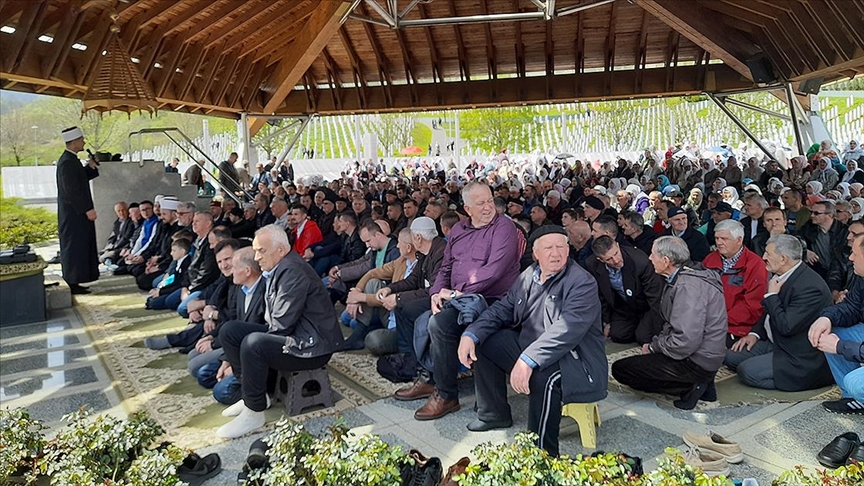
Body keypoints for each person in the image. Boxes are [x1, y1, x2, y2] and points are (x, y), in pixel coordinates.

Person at [457, 226, 607, 456]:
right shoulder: (529, 275)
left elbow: (567, 330)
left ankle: (541, 453)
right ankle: (493, 413)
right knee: (485, 343)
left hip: (575, 359)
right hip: (533, 347)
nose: (555, 253)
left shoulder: (581, 282)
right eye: (548, 248)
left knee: (544, 380)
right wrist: (472, 333)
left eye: (561, 247)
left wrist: (527, 360)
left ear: (568, 250)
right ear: (536, 253)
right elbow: (503, 308)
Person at [397, 181, 523, 421]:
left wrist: (455, 294)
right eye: (480, 203)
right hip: (457, 298)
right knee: (422, 314)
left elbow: (493, 272)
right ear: (467, 208)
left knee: (439, 323)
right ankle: (432, 382)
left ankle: (445, 393)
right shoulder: (458, 230)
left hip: (495, 300)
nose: (488, 207)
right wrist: (436, 292)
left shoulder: (504, 227)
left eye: (489, 201)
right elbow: (446, 267)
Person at [216, 225, 343, 438]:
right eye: (255, 251)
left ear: (281, 250)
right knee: (230, 331)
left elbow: (281, 323)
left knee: (253, 343)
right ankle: (255, 396)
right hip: (294, 333)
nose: (257, 257)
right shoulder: (280, 267)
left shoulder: (292, 270)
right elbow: (275, 321)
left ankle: (254, 413)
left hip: (311, 346)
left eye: (262, 251)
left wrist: (263, 334)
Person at [612, 236, 727, 410]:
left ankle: (691, 386)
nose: (649, 258)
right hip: (701, 354)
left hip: (696, 360)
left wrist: (654, 347)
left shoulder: (688, 286)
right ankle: (700, 383)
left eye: (653, 254)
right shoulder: (684, 277)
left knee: (622, 369)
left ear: (666, 261)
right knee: (641, 361)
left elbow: (685, 341)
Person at [724, 235, 834, 391]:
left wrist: (772, 296)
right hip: (774, 342)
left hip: (797, 353)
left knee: (747, 371)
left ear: (783, 259)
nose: (763, 257)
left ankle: (800, 381)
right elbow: (767, 313)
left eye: (768, 254)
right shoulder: (783, 275)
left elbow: (786, 326)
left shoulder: (811, 287)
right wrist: (754, 334)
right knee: (731, 357)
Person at [809, 233, 864, 415]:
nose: (850, 258)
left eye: (855, 253)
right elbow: (852, 307)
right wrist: (827, 318)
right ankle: (854, 400)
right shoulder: (862, 277)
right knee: (833, 330)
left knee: (855, 382)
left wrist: (840, 347)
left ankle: (857, 393)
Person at [586, 236, 664, 344]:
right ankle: (639, 328)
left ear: (618, 246)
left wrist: (658, 327)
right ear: (600, 259)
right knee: (618, 335)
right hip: (624, 307)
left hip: (646, 306)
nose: (616, 260)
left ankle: (642, 328)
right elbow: (601, 295)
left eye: (616, 253)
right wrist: (607, 321)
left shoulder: (640, 261)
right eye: (609, 259)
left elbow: (655, 297)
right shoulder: (592, 265)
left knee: (644, 337)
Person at [702, 220, 768, 347]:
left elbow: (753, 304)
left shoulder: (755, 264)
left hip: (736, 328)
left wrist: (720, 319)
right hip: (706, 321)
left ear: (739, 240)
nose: (719, 242)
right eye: (717, 238)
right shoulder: (709, 259)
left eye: (724, 239)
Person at [56, 126, 100, 294]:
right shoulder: (67, 161)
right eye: (81, 140)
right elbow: (72, 190)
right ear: (74, 142)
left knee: (80, 245)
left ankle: (77, 280)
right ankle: (72, 281)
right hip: (74, 214)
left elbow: (80, 179)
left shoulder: (71, 160)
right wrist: (87, 209)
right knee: (74, 246)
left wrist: (90, 167)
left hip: (77, 213)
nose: (83, 142)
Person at [798, 201, 849, 294]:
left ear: (829, 215)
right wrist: (805, 251)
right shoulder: (809, 226)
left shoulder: (844, 231)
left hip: (840, 276)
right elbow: (796, 239)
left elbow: (842, 260)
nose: (812, 215)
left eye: (816, 213)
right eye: (811, 212)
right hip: (818, 273)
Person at [145, 238, 192, 310]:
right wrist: (160, 289)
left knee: (167, 301)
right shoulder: (178, 261)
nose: (171, 253)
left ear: (182, 251)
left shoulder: (186, 263)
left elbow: (179, 284)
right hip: (175, 287)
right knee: (151, 299)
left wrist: (161, 292)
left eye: (174, 251)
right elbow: (173, 280)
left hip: (182, 288)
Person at [99, 202, 134, 266]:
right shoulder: (117, 222)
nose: (121, 213)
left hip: (123, 247)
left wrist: (114, 247)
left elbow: (126, 238)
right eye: (119, 211)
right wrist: (108, 247)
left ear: (127, 210)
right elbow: (113, 236)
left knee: (102, 258)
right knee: (99, 254)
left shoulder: (131, 222)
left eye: (123, 210)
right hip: (114, 246)